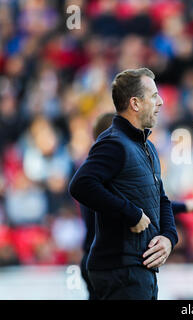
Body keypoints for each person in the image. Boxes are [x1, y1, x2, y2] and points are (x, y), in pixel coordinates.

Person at [69, 68, 178, 300]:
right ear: (135, 103)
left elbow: (162, 199)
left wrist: (169, 237)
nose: (160, 102)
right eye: (154, 96)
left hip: (139, 270)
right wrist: (131, 213)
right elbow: (81, 184)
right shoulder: (113, 143)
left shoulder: (147, 147)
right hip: (120, 271)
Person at [79, 112, 193, 300]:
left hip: (97, 259)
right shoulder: (112, 169)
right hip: (115, 263)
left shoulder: (95, 169)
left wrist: (183, 207)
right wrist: (183, 207)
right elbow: (143, 205)